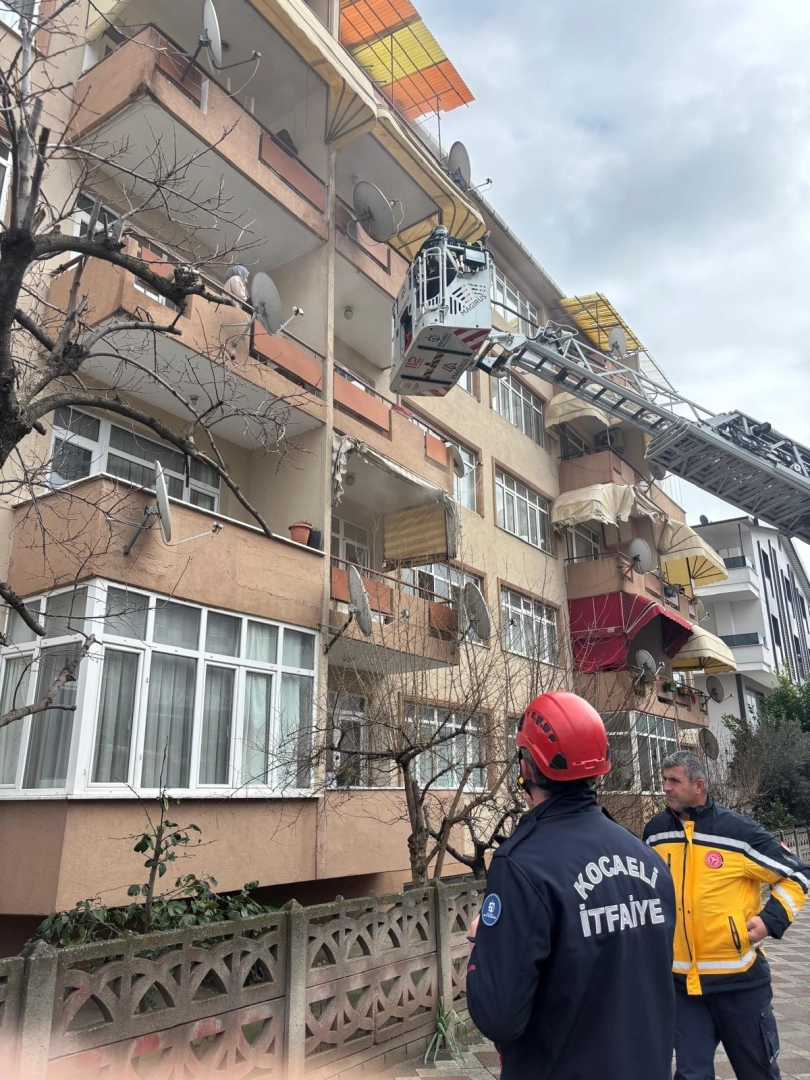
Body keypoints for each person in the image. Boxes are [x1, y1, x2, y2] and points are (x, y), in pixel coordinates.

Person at [466, 691, 676, 1080]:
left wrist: (485, 944)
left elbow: (498, 1016)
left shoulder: (522, 865)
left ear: (526, 767)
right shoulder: (648, 860)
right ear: (599, 768)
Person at [644, 749, 809, 1080]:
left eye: (674, 781)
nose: (666, 788)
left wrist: (769, 921)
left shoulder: (738, 832)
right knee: (690, 1075)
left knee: (757, 1071)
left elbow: (797, 875)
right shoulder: (655, 833)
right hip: (682, 986)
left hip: (740, 983)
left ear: (699, 785)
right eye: (664, 780)